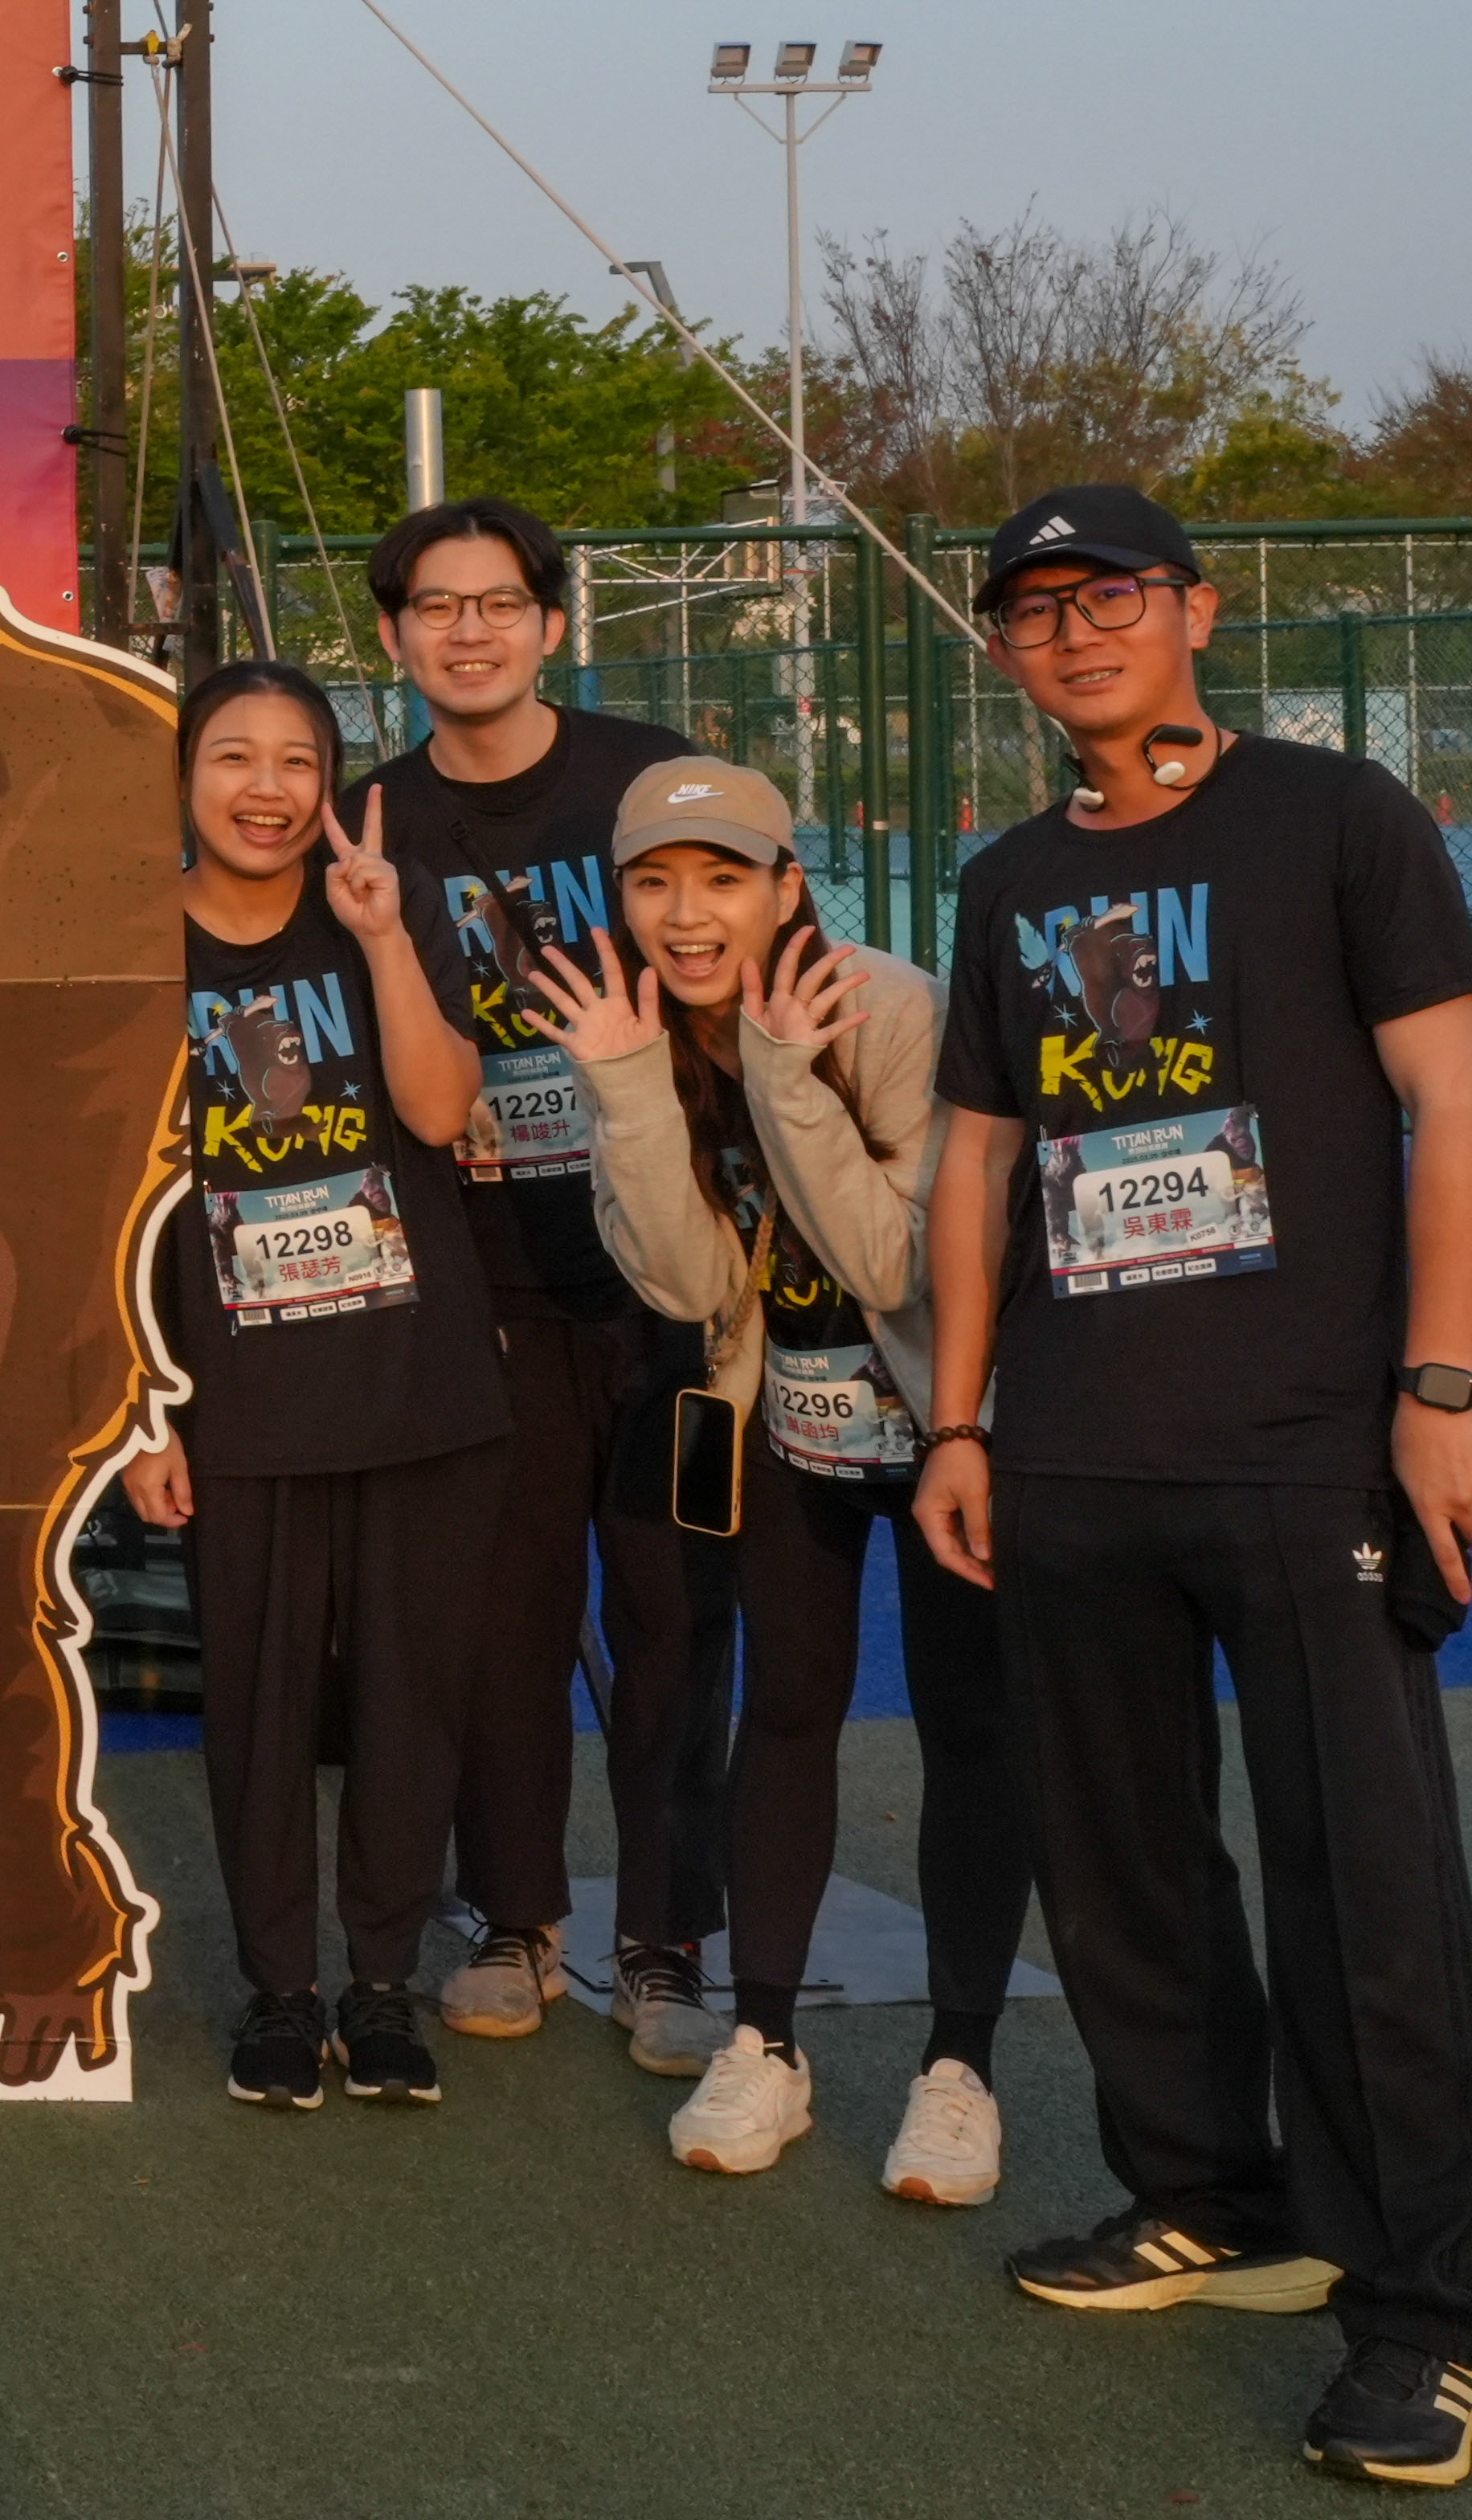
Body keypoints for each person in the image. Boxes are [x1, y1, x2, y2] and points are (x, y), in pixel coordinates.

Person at [906, 488, 1472, 2490]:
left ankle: (1422, 2312)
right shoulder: (1008, 881)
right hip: (1075, 1451)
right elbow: (980, 1160)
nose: (1073, 631)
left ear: (1197, 608)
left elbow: (1451, 1099)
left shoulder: (1337, 817)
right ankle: (1208, 2193)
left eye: (1111, 595)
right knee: (1123, 1864)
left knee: (1368, 1887)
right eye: (1032, 610)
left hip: (1309, 1442)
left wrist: (1438, 1387)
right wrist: (961, 1422)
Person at [530, 754, 1022, 2204]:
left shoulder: (886, 1009)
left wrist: (781, 1076)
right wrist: (629, 1088)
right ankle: (766, 2041)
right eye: (653, 883)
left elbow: (892, 1263)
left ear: (786, 887)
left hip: (949, 1420)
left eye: (722, 879)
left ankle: (959, 2068)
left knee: (968, 1724)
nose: (687, 915)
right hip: (789, 1415)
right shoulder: (631, 1032)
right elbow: (688, 1285)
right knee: (787, 1708)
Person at [350, 494, 737, 2069]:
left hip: (663, 1278)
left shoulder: (650, 784)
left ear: (552, 622)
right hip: (479, 1285)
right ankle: (515, 1915)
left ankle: (665, 1938)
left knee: (672, 1615)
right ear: (393, 637)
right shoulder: (365, 826)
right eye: (436, 607)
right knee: (499, 1620)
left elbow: (748, 984)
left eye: (497, 602)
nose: (469, 631)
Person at [124, 661, 509, 2109]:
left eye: (297, 760)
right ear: (182, 778)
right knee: (259, 1708)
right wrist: (144, 1408)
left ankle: (381, 1981)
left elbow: (437, 1109)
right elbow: (97, 1201)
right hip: (235, 1398)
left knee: (410, 1700)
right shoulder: (127, 950)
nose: (267, 788)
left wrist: (385, 936)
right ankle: (280, 1989)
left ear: (332, 785)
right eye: (234, 755)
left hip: (416, 1384)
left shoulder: (389, 914)